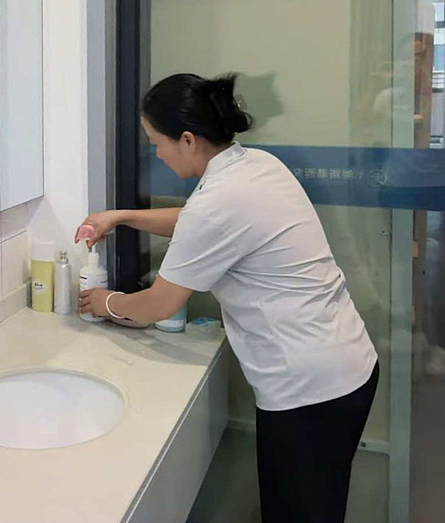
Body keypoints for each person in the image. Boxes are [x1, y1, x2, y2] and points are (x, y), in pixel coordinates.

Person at [77, 73, 378, 523]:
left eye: (157, 143)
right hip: (346, 362)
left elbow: (159, 304)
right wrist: (122, 217)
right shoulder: (254, 165)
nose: (157, 155)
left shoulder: (221, 199)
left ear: (187, 139)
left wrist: (105, 302)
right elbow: (196, 221)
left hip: (308, 388)